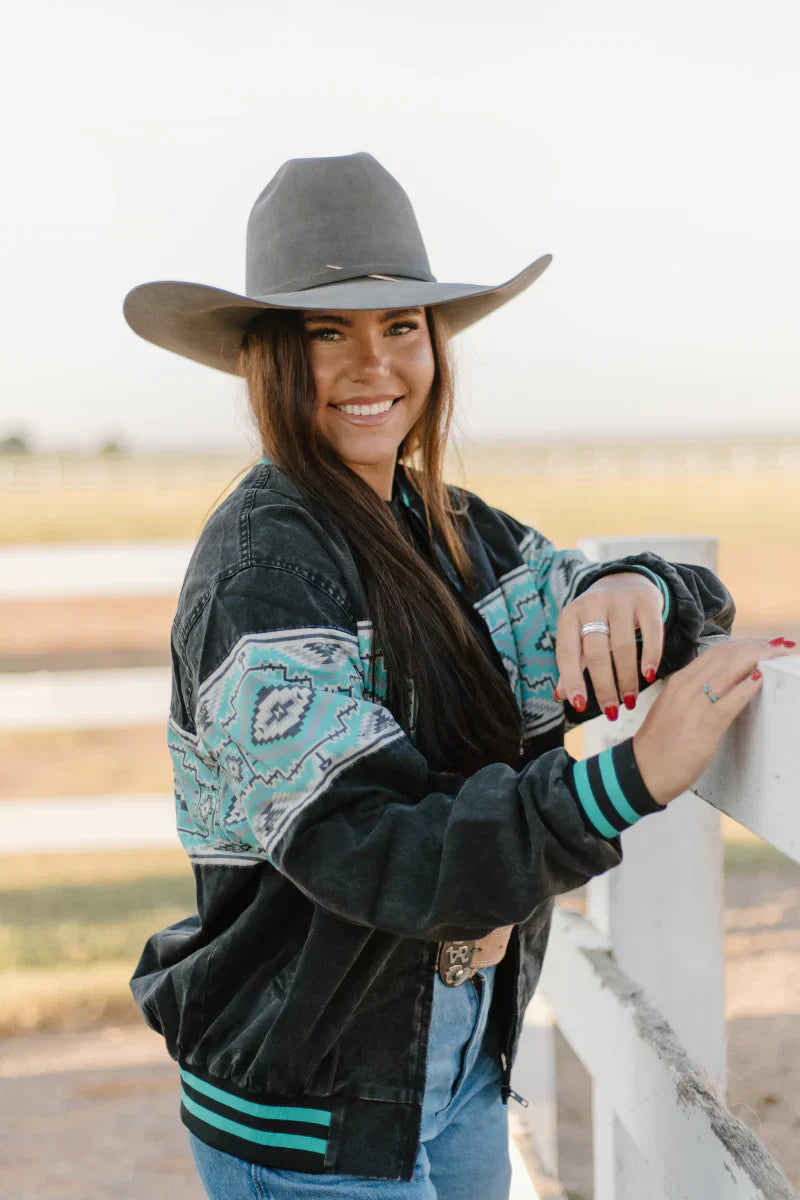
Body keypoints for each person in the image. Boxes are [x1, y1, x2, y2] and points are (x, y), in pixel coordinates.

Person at [123, 152, 797, 1200]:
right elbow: (372, 844)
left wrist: (635, 589)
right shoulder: (260, 573)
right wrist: (626, 780)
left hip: (453, 1066)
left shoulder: (454, 531)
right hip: (314, 1111)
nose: (373, 365)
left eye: (400, 327)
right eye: (325, 332)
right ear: (266, 357)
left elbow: (669, 602)